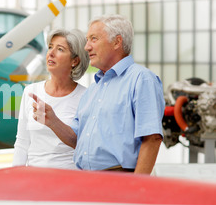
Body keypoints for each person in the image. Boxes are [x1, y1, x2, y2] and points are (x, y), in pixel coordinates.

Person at [31, 14, 165, 174]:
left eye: (94, 39)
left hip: (120, 179)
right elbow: (76, 140)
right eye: (87, 40)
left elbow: (152, 138)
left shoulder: (141, 79)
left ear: (117, 42)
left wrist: (136, 186)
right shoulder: (93, 90)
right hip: (87, 180)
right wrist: (52, 121)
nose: (87, 47)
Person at [13, 28, 90, 169]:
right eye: (50, 47)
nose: (51, 53)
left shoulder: (87, 96)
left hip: (70, 179)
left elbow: (87, 146)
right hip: (35, 179)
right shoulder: (31, 91)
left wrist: (53, 122)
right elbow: (22, 142)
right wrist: (14, 177)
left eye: (60, 49)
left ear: (75, 61)